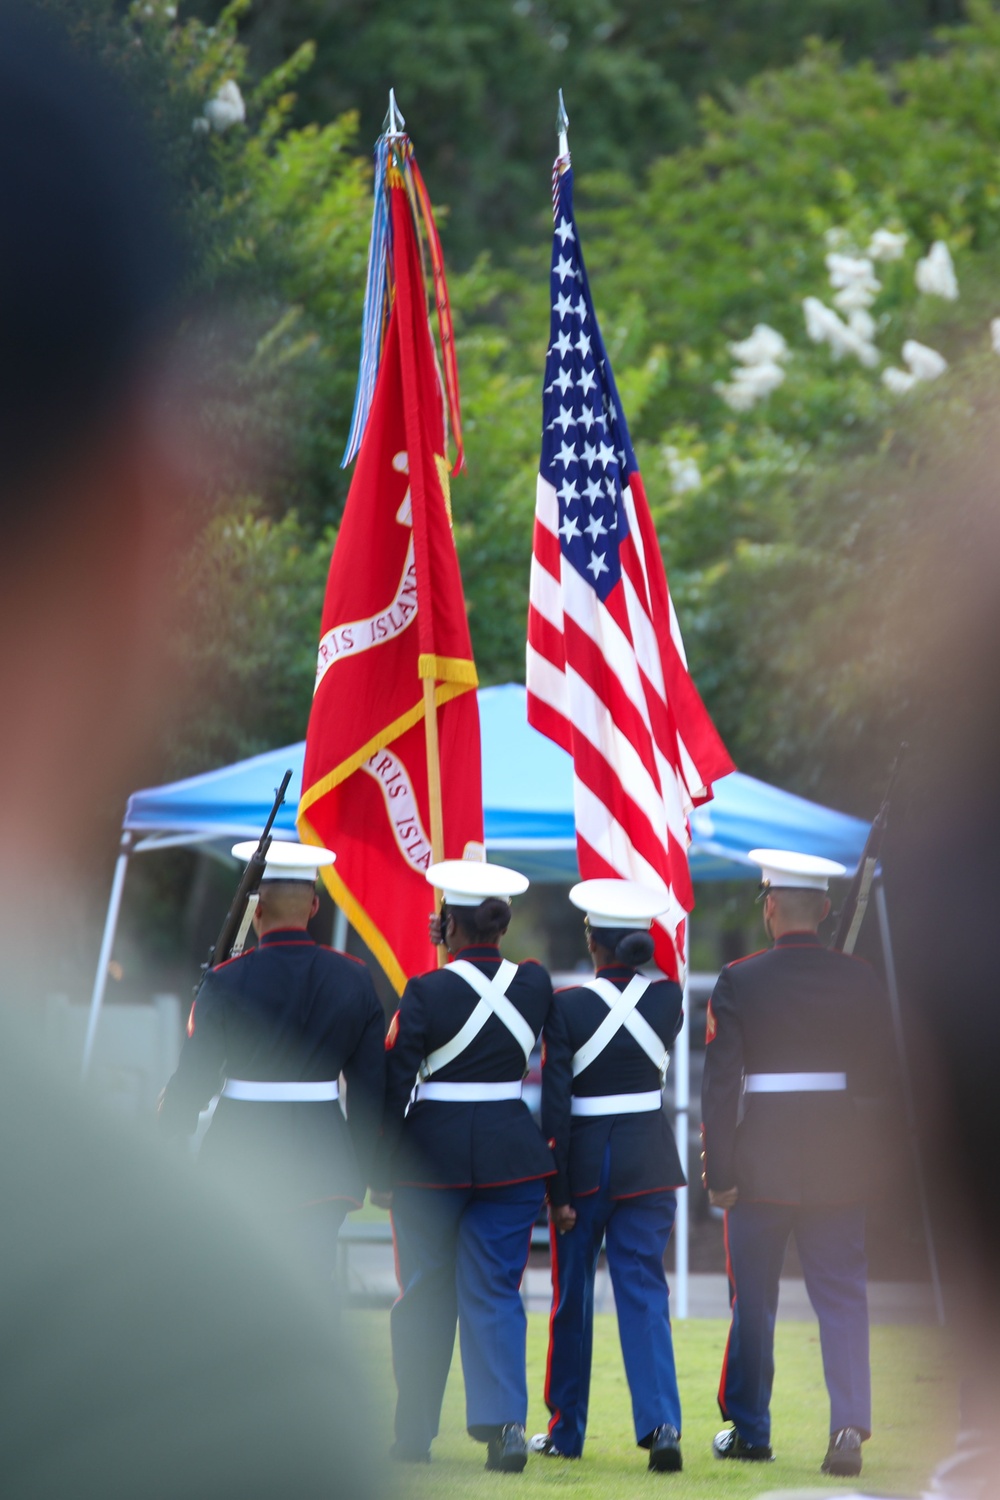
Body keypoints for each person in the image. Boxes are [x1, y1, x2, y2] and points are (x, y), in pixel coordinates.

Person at [0, 10, 383, 1495]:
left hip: (249, 1147)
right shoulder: (167, 1318)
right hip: (295, 1169)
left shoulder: (236, 980)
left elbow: (207, 1068)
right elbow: (358, 1059)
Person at [701, 848, 893, 1478]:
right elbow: (875, 1074)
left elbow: (721, 1084)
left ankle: (751, 1431)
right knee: (842, 1296)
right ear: (829, 909)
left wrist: (721, 1173)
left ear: (771, 906)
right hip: (838, 1160)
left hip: (762, 1164)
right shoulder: (860, 976)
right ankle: (846, 1431)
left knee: (753, 1300)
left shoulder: (740, 978)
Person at [370, 859, 554, 1472]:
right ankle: (505, 1429)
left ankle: (415, 1435)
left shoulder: (425, 991)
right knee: (498, 1292)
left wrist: (383, 1167)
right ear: (500, 926)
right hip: (509, 1154)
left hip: (431, 1162)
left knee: (423, 1294)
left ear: (447, 923)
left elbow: (396, 1081)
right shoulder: (533, 984)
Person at [159, 840, 386, 1282]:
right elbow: (370, 1089)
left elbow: (199, 1072)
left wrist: (173, 1121)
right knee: (313, 1293)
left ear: (257, 911)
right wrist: (368, 1167)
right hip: (324, 1162)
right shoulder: (354, 978)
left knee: (240, 1288)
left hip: (240, 1154)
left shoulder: (225, 980)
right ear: (315, 905)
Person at [533, 877, 686, 1472]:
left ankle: (566, 1432)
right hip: (649, 1160)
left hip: (587, 1168)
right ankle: (662, 1425)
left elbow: (555, 1107)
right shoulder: (669, 999)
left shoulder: (566, 1005)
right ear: (642, 942)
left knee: (572, 1300)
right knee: (645, 1292)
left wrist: (559, 1190)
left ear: (591, 940)